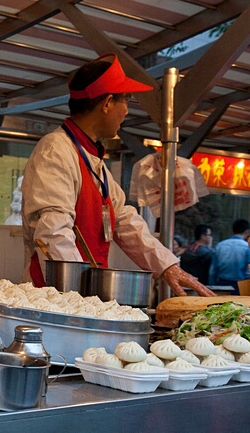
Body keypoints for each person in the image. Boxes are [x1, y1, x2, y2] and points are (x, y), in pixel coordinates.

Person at [21, 53, 215, 297]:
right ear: (107, 103)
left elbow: (125, 221)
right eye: (127, 101)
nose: (126, 112)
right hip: (53, 300)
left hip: (83, 297)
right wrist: (78, 299)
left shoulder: (93, 160)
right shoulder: (55, 151)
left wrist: (167, 265)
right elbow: (52, 233)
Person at [210, 219, 250, 294]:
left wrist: (212, 284)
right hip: (240, 284)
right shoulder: (247, 247)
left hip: (221, 283)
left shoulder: (220, 245)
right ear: (247, 231)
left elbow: (212, 270)